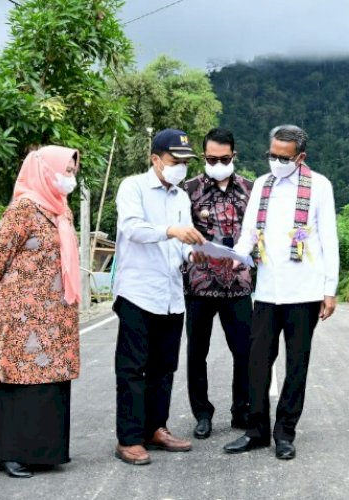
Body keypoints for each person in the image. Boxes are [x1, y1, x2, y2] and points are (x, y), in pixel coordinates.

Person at [223, 124, 339, 460]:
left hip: (305, 290)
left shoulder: (319, 186)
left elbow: (328, 238)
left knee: (296, 364)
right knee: (257, 361)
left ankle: (285, 432)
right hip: (267, 290)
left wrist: (329, 289)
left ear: (300, 157)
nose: (276, 162)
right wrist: (235, 256)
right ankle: (256, 430)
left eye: (283, 157)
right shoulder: (263, 184)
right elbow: (249, 232)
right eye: (272, 155)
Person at [0, 146, 82, 478]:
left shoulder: (62, 210)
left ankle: (44, 452)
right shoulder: (24, 208)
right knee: (19, 378)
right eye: (66, 171)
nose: (70, 177)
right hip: (22, 314)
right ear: (45, 171)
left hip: (56, 315)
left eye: (73, 172)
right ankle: (10, 453)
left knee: (50, 380)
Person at [112, 128, 208, 466]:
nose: (180, 167)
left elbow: (181, 245)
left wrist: (193, 254)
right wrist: (170, 230)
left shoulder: (181, 198)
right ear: (155, 159)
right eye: (174, 160)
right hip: (138, 292)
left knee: (164, 367)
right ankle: (129, 438)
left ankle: (155, 428)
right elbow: (132, 229)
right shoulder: (133, 187)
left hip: (171, 294)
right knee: (132, 368)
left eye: (185, 162)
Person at [183, 128, 254, 439]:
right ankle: (202, 414)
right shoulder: (189, 190)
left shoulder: (250, 190)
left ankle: (242, 409)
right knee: (197, 353)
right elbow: (180, 232)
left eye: (224, 159)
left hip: (238, 285)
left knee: (245, 351)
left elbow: (257, 233)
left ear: (234, 156)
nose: (218, 164)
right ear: (204, 157)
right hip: (199, 284)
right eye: (212, 159)